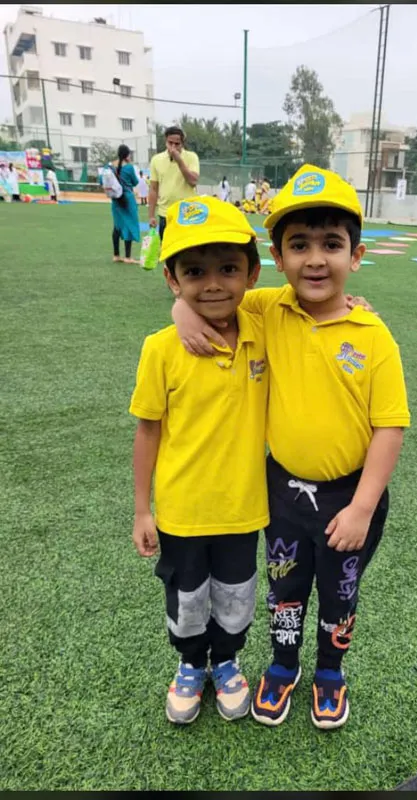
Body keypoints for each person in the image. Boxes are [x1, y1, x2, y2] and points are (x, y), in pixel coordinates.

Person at [172, 164, 411, 730]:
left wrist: (362, 507)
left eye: (332, 244)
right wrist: (180, 309)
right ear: (277, 258)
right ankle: (283, 666)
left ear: (356, 255)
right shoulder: (268, 308)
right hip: (282, 492)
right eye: (299, 245)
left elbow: (389, 428)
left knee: (339, 593)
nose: (315, 259)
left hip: (350, 499)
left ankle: (330, 670)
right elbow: (213, 297)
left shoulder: (373, 336)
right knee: (286, 589)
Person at [129, 196, 268, 726]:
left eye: (228, 269)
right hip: (182, 512)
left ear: (252, 274)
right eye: (194, 272)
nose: (213, 284)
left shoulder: (264, 331)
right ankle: (190, 665)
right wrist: (142, 509)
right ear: (171, 278)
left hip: (243, 510)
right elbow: (148, 430)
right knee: (186, 599)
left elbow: (306, 301)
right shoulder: (160, 349)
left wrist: (354, 302)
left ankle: (227, 662)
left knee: (236, 596)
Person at [148, 126, 200, 240]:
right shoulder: (156, 160)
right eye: (170, 143)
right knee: (167, 248)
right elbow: (153, 189)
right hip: (165, 214)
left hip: (187, 214)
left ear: (182, 143)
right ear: (165, 141)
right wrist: (151, 215)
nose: (173, 147)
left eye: (177, 144)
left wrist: (179, 160)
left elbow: (193, 181)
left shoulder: (191, 157)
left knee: (188, 248)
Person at [108, 144, 140, 264]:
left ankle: (116, 255)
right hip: (127, 199)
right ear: (127, 155)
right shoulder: (129, 167)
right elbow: (135, 182)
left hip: (115, 199)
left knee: (117, 226)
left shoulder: (110, 166)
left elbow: (102, 180)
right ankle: (128, 257)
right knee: (129, 225)